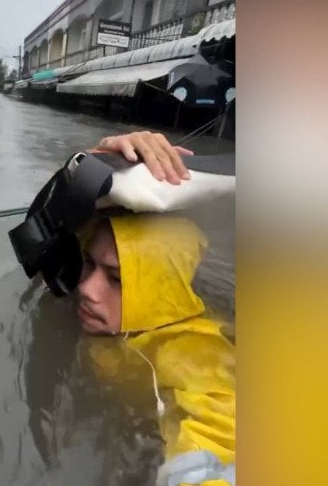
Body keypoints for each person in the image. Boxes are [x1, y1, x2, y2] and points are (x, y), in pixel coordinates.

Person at [75, 132, 236, 486]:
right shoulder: (118, 321)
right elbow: (50, 229)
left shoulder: (191, 350)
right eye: (88, 265)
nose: (85, 289)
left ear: (160, 283)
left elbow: (223, 435)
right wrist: (99, 159)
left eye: (117, 278)